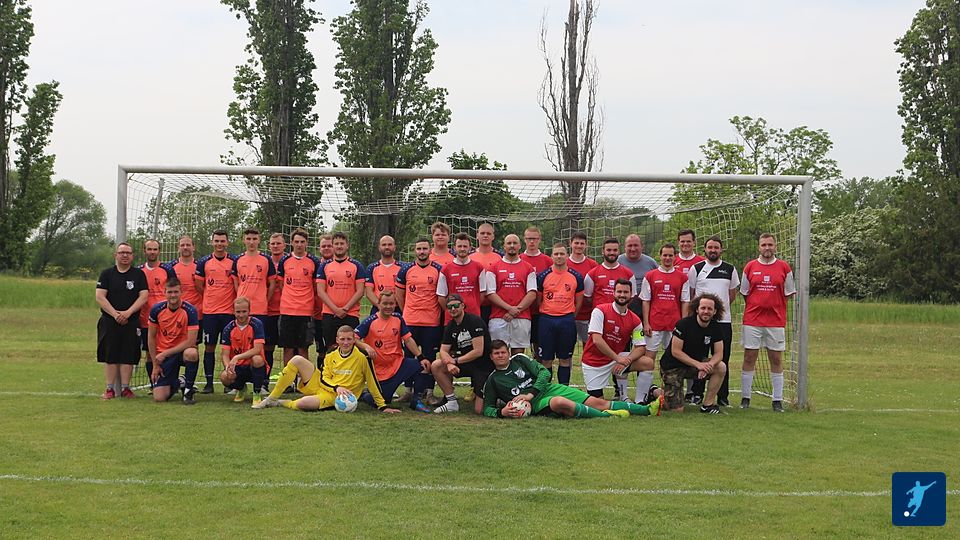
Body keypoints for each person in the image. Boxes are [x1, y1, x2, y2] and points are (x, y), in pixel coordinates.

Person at [482, 340, 662, 419]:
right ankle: (606, 416)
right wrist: (502, 412)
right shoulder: (493, 380)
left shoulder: (519, 359)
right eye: (496, 353)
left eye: (503, 352)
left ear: (508, 352)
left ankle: (647, 410)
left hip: (546, 390)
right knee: (560, 402)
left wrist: (530, 393)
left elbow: (544, 373)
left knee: (597, 402)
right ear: (491, 357)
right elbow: (487, 408)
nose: (501, 356)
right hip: (535, 404)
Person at [253, 325, 400, 413]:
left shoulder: (363, 357)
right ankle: (271, 399)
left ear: (354, 340)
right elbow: (324, 377)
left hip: (336, 396)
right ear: (337, 340)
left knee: (303, 404)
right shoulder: (331, 353)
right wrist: (336, 387)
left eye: (349, 339)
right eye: (342, 339)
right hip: (325, 385)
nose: (346, 342)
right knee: (297, 360)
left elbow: (372, 382)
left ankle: (281, 402)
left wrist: (382, 406)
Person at [739, 233, 796, 412]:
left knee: (776, 359)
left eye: (770, 245)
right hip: (752, 320)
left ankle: (777, 400)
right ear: (759, 247)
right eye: (764, 245)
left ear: (775, 246)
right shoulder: (750, 267)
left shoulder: (784, 267)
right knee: (749, 357)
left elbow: (788, 293)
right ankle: (745, 398)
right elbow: (745, 292)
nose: (767, 248)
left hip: (776, 322)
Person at [354, 291, 432, 412]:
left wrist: (421, 357)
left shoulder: (398, 318)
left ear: (395, 304)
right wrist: (366, 347)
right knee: (382, 401)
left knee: (423, 366)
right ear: (379, 304)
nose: (388, 306)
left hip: (398, 364)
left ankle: (416, 401)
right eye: (385, 303)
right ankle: (365, 395)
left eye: (391, 303)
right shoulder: (370, 321)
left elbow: (408, 340)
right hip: (380, 372)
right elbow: (354, 338)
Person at [686, 235, 739, 407]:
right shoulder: (696, 268)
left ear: (721, 250)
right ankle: (697, 394)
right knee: (700, 357)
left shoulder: (730, 269)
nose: (713, 250)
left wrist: (718, 311)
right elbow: (692, 294)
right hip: (701, 322)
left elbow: (731, 295)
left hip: (723, 322)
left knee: (723, 358)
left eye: (716, 247)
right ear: (705, 249)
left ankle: (722, 397)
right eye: (710, 247)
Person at [581, 279, 654, 398]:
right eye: (619, 291)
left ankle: (639, 401)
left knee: (648, 363)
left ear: (631, 294)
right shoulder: (600, 311)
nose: (622, 295)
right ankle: (619, 397)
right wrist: (618, 358)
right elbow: (597, 340)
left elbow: (641, 347)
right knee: (598, 404)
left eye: (626, 292)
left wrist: (627, 360)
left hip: (617, 358)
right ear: (613, 293)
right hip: (594, 362)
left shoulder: (635, 320)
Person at [583, 237, 637, 400]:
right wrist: (603, 312)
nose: (611, 253)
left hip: (621, 324)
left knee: (621, 357)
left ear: (619, 251)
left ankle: (621, 393)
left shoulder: (628, 273)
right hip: (600, 323)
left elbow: (632, 297)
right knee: (598, 352)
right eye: (609, 250)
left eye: (614, 250)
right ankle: (596, 388)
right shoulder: (593, 273)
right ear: (603, 251)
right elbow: (588, 297)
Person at [95, 243, 148, 399]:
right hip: (109, 321)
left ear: (132, 256)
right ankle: (109, 389)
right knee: (110, 354)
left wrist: (127, 313)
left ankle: (125, 388)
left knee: (128, 354)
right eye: (122, 252)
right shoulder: (106, 274)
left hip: (131, 321)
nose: (125, 255)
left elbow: (144, 296)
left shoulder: (138, 274)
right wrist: (115, 314)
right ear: (115, 255)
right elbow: (100, 297)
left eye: (128, 253)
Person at [395, 238, 444, 405]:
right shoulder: (405, 270)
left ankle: (429, 393)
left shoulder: (438, 269)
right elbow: (399, 295)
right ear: (414, 250)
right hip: (410, 321)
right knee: (409, 357)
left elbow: (441, 295)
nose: (422, 252)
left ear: (430, 250)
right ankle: (408, 391)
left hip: (432, 322)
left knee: (430, 357)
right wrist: (408, 312)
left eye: (424, 248)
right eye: (419, 249)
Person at [659, 293, 727, 414]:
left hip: (694, 366)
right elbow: (676, 352)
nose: (706, 311)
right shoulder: (683, 324)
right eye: (703, 308)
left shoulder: (716, 327)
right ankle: (655, 392)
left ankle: (707, 405)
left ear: (715, 311)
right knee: (676, 411)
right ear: (697, 309)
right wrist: (699, 365)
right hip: (672, 367)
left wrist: (708, 365)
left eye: (710, 309)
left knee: (721, 367)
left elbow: (718, 354)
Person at [639, 243, 690, 401]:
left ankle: (672, 395)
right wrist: (646, 323)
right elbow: (646, 301)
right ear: (660, 256)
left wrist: (684, 325)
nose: (667, 258)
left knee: (674, 359)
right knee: (648, 359)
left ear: (675, 257)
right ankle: (643, 395)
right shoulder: (651, 276)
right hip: (654, 325)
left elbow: (685, 301)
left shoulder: (682, 277)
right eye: (665, 255)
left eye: (670, 255)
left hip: (674, 326)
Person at [430, 294, 494, 414]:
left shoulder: (474, 321)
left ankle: (498, 398)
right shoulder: (450, 326)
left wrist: (455, 361)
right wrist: (449, 363)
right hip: (464, 363)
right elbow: (443, 350)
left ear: (463, 306)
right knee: (436, 365)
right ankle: (452, 402)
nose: (453, 309)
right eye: (449, 307)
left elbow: (478, 351)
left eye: (456, 305)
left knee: (479, 410)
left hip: (483, 366)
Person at [195, 230, 238, 393]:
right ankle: (209, 383)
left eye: (222, 241)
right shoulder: (203, 262)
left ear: (227, 242)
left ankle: (229, 383)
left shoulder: (234, 261)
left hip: (229, 312)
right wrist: (211, 296)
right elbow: (199, 285)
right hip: (210, 313)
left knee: (229, 349)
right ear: (212, 242)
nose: (219, 244)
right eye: (217, 241)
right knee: (209, 347)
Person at [536, 242, 584, 385]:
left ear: (567, 256)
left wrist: (569, 315)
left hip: (566, 321)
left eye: (562, 253)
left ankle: (564, 390)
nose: (559, 256)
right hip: (546, 320)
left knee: (565, 359)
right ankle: (546, 390)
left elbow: (579, 301)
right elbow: (538, 299)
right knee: (546, 359)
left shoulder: (576, 276)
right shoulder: (543, 276)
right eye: (556, 254)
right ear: (551, 256)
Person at [147, 278, 201, 404]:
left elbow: (191, 341)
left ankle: (188, 391)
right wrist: (155, 365)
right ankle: (180, 382)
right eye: (170, 292)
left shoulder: (190, 310)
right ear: (164, 292)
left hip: (181, 352)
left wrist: (166, 353)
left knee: (192, 353)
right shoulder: (156, 310)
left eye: (176, 292)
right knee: (159, 398)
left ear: (181, 292)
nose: (173, 295)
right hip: (164, 354)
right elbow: (151, 337)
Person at [276, 228, 323, 370]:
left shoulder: (313, 261)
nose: (299, 244)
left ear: (307, 243)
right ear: (291, 243)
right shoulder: (284, 260)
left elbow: (315, 286)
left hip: (305, 311)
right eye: (296, 242)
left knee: (303, 348)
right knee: (288, 348)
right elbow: (281, 283)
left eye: (302, 242)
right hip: (287, 310)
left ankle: (304, 379)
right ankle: (288, 379)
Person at [483, 234, 537, 355]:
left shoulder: (528, 268)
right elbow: (490, 293)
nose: (512, 246)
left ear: (520, 246)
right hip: (499, 317)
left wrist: (516, 310)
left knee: (518, 355)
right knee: (499, 354)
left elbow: (532, 293)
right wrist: (509, 308)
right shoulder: (493, 268)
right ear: (504, 246)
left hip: (521, 318)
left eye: (514, 243)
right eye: (509, 243)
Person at [316, 231, 366, 348]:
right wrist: (335, 310)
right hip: (330, 314)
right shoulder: (324, 266)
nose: (339, 246)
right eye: (336, 244)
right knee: (331, 347)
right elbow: (320, 291)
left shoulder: (356, 265)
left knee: (351, 347)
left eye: (342, 243)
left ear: (347, 245)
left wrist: (346, 308)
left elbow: (360, 291)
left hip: (351, 313)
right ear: (333, 246)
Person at [219, 296, 268, 407]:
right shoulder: (228, 328)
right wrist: (228, 367)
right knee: (224, 376)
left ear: (249, 311)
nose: (241, 315)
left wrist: (237, 357)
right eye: (238, 312)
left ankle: (257, 393)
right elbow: (225, 354)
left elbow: (257, 349)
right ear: (233, 311)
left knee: (257, 359)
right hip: (238, 367)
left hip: (253, 366)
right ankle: (240, 388)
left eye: (244, 311)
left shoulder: (256, 324)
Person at [138, 239, 175, 382]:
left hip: (165, 318)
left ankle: (169, 381)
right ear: (144, 251)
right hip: (145, 318)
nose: (152, 252)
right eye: (149, 249)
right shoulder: (139, 271)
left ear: (159, 251)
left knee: (168, 351)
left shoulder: (167, 269)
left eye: (155, 249)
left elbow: (174, 291)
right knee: (150, 353)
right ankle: (153, 383)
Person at [520, 226, 553, 361]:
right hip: (522, 311)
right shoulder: (519, 258)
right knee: (519, 346)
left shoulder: (548, 261)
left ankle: (539, 371)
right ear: (524, 239)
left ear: (539, 239)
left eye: (534, 238)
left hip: (541, 311)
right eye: (529, 239)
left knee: (539, 347)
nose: (532, 242)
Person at [436, 232, 488, 319]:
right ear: (454, 248)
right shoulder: (446, 269)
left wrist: (473, 305)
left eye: (465, 246)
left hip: (473, 316)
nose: (462, 249)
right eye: (459, 246)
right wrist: (452, 311)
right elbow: (441, 297)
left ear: (470, 248)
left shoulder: (479, 267)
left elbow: (482, 294)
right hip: (452, 318)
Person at [232, 228, 276, 328]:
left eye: (254, 239)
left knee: (259, 336)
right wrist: (241, 298)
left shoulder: (266, 259)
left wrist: (265, 300)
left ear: (259, 240)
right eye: (248, 239)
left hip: (260, 308)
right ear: (244, 240)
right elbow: (236, 283)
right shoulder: (238, 259)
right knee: (242, 336)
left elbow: (272, 284)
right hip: (242, 309)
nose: (251, 242)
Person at [168, 235, 203, 345]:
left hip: (196, 312)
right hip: (176, 312)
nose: (185, 247)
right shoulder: (171, 267)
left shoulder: (200, 266)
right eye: (182, 245)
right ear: (178, 248)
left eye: (188, 245)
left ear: (194, 247)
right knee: (174, 343)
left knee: (193, 346)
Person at [566, 231, 598, 345]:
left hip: (587, 314)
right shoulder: (564, 263)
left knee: (589, 345)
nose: (579, 246)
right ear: (570, 243)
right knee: (568, 345)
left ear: (586, 245)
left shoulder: (593, 265)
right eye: (576, 243)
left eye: (582, 243)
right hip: (568, 313)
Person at [618, 233, 658, 318]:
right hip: (623, 305)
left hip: (645, 307)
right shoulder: (618, 262)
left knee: (640, 326)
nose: (633, 249)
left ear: (642, 246)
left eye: (636, 245)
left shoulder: (651, 263)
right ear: (625, 247)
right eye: (630, 246)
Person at [263, 232, 286, 379]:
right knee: (268, 347)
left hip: (287, 311)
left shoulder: (290, 261)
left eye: (278, 243)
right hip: (268, 311)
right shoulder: (264, 262)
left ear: (284, 245)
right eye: (273, 243)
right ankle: (264, 379)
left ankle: (291, 380)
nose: (276, 246)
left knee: (290, 348)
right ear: (269, 246)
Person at [365, 235, 402, 313]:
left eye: (390, 244)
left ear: (394, 247)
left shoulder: (402, 268)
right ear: (379, 247)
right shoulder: (371, 268)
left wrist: (395, 305)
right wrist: (380, 306)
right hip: (378, 309)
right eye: (384, 245)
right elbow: (369, 292)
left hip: (397, 309)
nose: (387, 247)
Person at [312, 234, 335, 356]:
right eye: (323, 246)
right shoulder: (314, 266)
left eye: (329, 246)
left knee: (335, 348)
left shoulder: (343, 265)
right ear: (319, 249)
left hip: (336, 314)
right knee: (321, 351)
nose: (326, 248)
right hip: (318, 315)